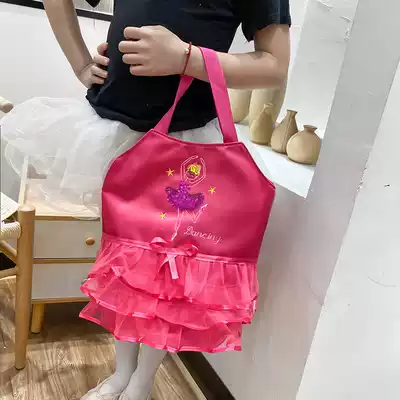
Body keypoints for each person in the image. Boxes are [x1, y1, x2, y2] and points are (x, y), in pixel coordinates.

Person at [1, 0, 291, 399]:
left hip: (187, 141)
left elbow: (274, 65)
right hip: (114, 132)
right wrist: (81, 64)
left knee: (172, 275)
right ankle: (122, 374)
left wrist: (186, 58)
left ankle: (140, 382)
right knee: (125, 261)